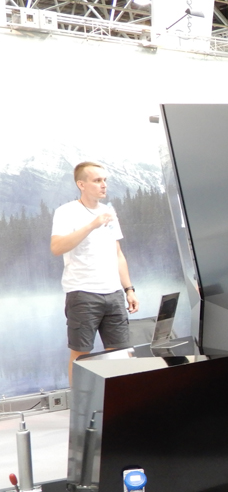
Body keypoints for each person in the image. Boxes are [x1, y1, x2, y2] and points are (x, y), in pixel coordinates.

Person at [50, 162, 139, 385]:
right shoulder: (66, 212)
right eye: (97, 180)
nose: (103, 185)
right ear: (81, 184)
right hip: (83, 293)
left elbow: (118, 253)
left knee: (121, 352)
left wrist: (129, 289)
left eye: (105, 180)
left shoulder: (109, 212)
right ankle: (80, 403)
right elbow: (57, 247)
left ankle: (120, 401)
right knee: (81, 354)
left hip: (114, 293)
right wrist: (91, 225)